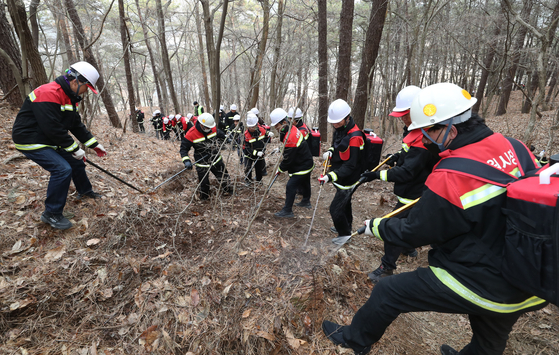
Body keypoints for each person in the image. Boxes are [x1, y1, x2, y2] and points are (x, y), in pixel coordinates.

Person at [322, 83, 548, 355]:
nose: (424, 141)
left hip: (487, 279)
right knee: (490, 337)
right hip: (530, 277)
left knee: (389, 292)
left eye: (427, 132)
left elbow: (414, 231)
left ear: (449, 129)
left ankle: (354, 340)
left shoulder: (451, 173)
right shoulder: (515, 147)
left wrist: (376, 226)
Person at [12, 61, 106, 230]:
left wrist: (94, 144)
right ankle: (52, 213)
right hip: (30, 139)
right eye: (87, 88)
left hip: (48, 138)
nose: (87, 92)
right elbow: (52, 127)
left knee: (76, 162)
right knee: (62, 169)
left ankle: (85, 191)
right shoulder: (48, 92)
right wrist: (74, 148)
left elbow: (75, 125)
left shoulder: (70, 97)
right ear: (76, 81)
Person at [360, 85, 437, 283]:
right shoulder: (414, 130)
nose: (402, 118)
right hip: (413, 191)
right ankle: (408, 247)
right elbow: (408, 155)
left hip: (416, 194)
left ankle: (386, 268)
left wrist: (376, 176)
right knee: (408, 225)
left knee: (392, 228)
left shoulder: (424, 139)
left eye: (405, 114)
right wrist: (396, 156)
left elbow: (407, 172)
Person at [318, 99, 364, 237]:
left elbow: (351, 165)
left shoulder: (355, 137)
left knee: (335, 209)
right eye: (333, 122)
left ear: (347, 117)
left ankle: (344, 234)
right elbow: (338, 145)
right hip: (341, 175)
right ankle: (347, 225)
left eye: (338, 121)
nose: (335, 124)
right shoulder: (340, 129)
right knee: (346, 203)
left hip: (349, 178)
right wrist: (331, 151)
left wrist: (330, 176)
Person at [270, 108, 314, 218]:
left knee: (291, 185)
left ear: (284, 122)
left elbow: (288, 159)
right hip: (305, 160)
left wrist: (280, 169)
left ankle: (287, 210)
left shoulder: (291, 136)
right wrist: (280, 149)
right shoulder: (291, 128)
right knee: (304, 181)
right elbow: (290, 147)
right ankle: (306, 201)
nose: (276, 128)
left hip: (303, 164)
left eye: (277, 126)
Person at [180, 113, 232, 200]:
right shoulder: (191, 134)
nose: (209, 129)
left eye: (210, 127)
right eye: (207, 127)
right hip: (202, 162)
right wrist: (186, 161)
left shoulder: (212, 128)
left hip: (216, 158)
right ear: (201, 124)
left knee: (223, 176)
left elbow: (220, 133)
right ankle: (204, 197)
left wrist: (227, 139)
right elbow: (183, 149)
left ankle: (228, 191)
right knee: (204, 182)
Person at [243, 113, 274, 184]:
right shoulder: (246, 135)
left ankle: (259, 181)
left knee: (259, 169)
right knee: (248, 168)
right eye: (250, 127)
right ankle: (248, 180)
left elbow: (265, 133)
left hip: (260, 153)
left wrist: (268, 133)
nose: (252, 128)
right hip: (249, 155)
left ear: (256, 125)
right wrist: (256, 153)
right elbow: (247, 148)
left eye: (253, 126)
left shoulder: (261, 129)